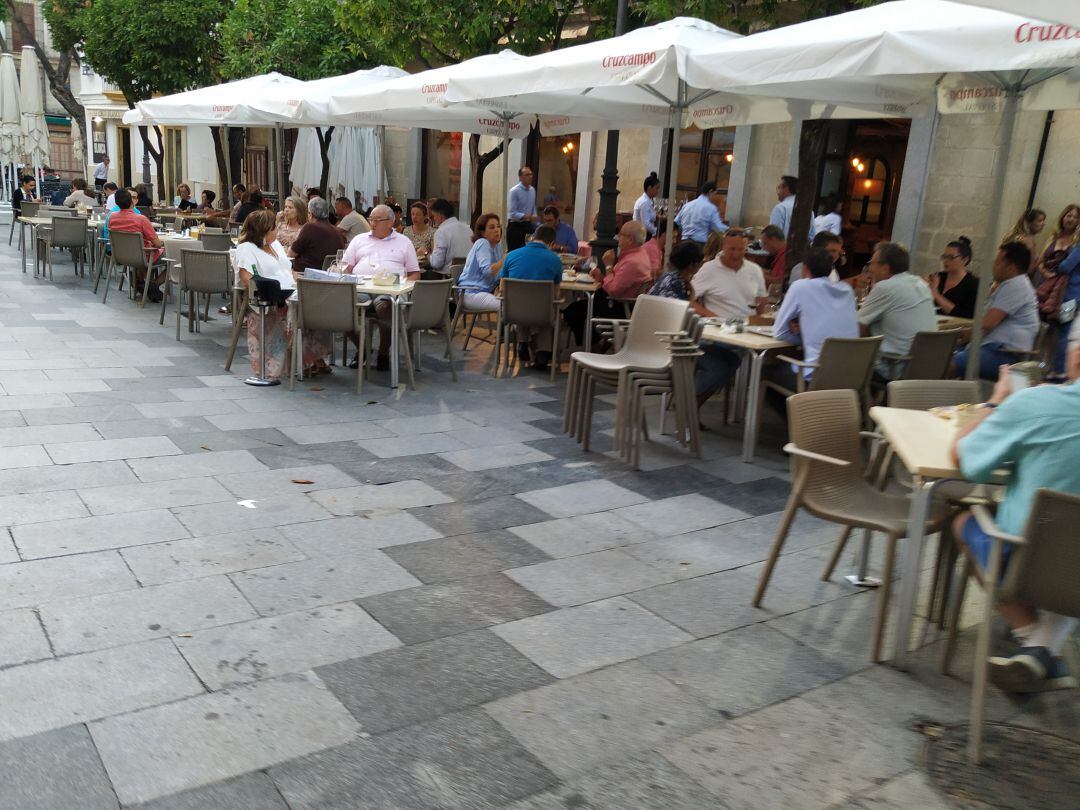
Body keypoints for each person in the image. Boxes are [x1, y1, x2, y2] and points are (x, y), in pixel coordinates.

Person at [950, 319, 1080, 693]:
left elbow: (962, 458)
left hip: (1027, 563)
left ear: (1074, 356)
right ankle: (1045, 648)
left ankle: (1034, 641)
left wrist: (995, 401)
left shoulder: (1035, 403)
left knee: (964, 523)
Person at [649, 241, 741, 415]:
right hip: (670, 344)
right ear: (693, 265)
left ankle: (690, 405)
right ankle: (687, 404)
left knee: (731, 358)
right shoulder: (678, 283)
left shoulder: (669, 278)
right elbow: (682, 316)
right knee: (722, 365)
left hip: (663, 338)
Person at [342, 204, 420, 371]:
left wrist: (404, 286)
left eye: (377, 220)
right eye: (371, 219)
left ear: (391, 222)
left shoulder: (404, 242)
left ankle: (383, 352)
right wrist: (340, 271)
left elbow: (414, 273)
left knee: (385, 307)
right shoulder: (359, 240)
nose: (373, 223)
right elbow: (346, 267)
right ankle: (363, 348)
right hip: (361, 288)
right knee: (342, 306)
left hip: (390, 290)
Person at [769, 247, 859, 390]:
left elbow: (779, 332)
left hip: (816, 377)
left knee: (765, 372)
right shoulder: (847, 290)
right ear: (831, 269)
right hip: (850, 377)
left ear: (804, 269)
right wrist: (810, 333)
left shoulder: (801, 286)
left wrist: (803, 336)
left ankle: (800, 411)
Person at [952, 242, 1038, 380]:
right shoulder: (1011, 284)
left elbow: (987, 324)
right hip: (992, 348)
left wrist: (962, 336)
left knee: (948, 363)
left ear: (1010, 267)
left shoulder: (1016, 285)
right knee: (942, 356)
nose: (993, 266)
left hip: (1004, 355)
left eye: (997, 262)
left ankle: (935, 397)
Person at [563, 221, 652, 347]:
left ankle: (593, 345)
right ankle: (595, 343)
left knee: (573, 311)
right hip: (618, 302)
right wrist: (603, 277)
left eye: (621, 235)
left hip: (616, 306)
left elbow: (613, 290)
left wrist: (608, 265)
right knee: (575, 308)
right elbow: (617, 281)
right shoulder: (638, 255)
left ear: (630, 239)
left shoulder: (632, 262)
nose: (617, 238)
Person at [858, 241, 937, 380]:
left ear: (885, 268)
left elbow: (857, 327)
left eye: (872, 263)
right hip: (926, 367)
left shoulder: (885, 287)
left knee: (841, 363)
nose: (870, 268)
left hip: (896, 368)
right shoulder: (920, 283)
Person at [236, 209, 298, 379]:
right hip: (267, 297)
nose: (276, 231)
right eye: (273, 229)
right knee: (298, 310)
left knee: (316, 305)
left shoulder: (275, 245)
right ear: (262, 230)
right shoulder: (247, 249)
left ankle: (306, 361)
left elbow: (286, 270)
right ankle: (277, 368)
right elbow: (247, 280)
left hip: (290, 291)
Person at [498, 225, 563, 370]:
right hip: (541, 314)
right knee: (550, 308)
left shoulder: (511, 255)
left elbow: (502, 288)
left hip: (514, 313)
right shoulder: (554, 259)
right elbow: (556, 293)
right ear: (551, 244)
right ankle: (543, 352)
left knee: (522, 304)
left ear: (533, 237)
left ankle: (522, 342)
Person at [691, 229, 768, 322]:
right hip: (718, 328)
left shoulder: (755, 270)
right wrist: (713, 316)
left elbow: (761, 302)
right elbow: (689, 300)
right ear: (723, 247)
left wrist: (759, 320)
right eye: (732, 249)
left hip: (747, 327)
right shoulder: (709, 269)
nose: (736, 254)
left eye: (741, 249)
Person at [107, 188, 164, 302]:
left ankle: (146, 284)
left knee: (142, 255)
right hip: (143, 256)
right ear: (132, 201)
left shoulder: (112, 217)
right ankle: (153, 285)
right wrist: (163, 243)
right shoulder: (141, 219)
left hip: (122, 256)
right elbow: (157, 244)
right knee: (175, 258)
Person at [457, 212, 505, 313]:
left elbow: (498, 275)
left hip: (485, 292)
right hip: (470, 293)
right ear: (483, 233)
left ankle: (510, 329)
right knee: (507, 306)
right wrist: (505, 260)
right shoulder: (482, 243)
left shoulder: (497, 247)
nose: (497, 230)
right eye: (492, 227)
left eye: (498, 226)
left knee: (516, 302)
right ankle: (510, 329)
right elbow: (487, 271)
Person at [288, 196, 345, 274]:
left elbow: (291, 253)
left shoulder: (310, 227)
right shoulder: (337, 232)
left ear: (310, 214)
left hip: (304, 276)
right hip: (328, 277)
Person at [927, 236, 979, 319]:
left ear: (965, 259)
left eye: (951, 257)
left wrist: (936, 294)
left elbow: (968, 316)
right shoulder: (937, 277)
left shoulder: (974, 284)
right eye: (944, 257)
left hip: (955, 329)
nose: (946, 261)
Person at [428, 198, 473, 277]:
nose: (434, 219)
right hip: (468, 276)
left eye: (434, 216)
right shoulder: (468, 230)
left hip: (447, 279)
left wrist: (426, 254)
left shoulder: (441, 232)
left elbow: (436, 264)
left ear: (441, 217)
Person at [674, 181, 727, 246]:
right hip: (700, 244)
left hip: (684, 242)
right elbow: (718, 227)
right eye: (715, 194)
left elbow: (677, 222)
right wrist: (730, 230)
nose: (715, 197)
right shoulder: (711, 208)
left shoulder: (687, 205)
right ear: (710, 192)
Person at [1036, 204, 1079, 281]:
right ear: (1063, 217)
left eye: (1075, 217)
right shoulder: (1054, 237)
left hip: (1066, 286)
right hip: (1045, 283)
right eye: (1069, 216)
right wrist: (1045, 273)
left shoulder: (1077, 242)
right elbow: (1041, 261)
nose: (1071, 219)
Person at [1002, 208, 1045, 277]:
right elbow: (1029, 270)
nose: (1043, 224)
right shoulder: (1028, 241)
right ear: (1029, 223)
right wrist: (1040, 260)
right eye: (1040, 221)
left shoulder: (1021, 237)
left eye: (1043, 221)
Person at [507, 166, 538, 250]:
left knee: (528, 250)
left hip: (528, 226)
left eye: (531, 174)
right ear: (520, 177)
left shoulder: (532, 190)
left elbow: (533, 206)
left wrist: (534, 216)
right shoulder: (514, 191)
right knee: (515, 251)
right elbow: (512, 213)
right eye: (527, 174)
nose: (530, 176)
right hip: (516, 226)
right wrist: (528, 216)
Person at [633, 172, 661, 237]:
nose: (658, 190)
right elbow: (646, 224)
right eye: (656, 188)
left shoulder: (648, 201)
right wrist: (657, 232)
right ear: (649, 188)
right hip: (642, 235)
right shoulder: (644, 202)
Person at [760, 224, 787, 288]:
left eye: (765, 243)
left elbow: (780, 282)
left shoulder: (786, 256)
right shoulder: (779, 254)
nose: (763, 248)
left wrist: (756, 274)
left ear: (774, 239)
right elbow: (774, 274)